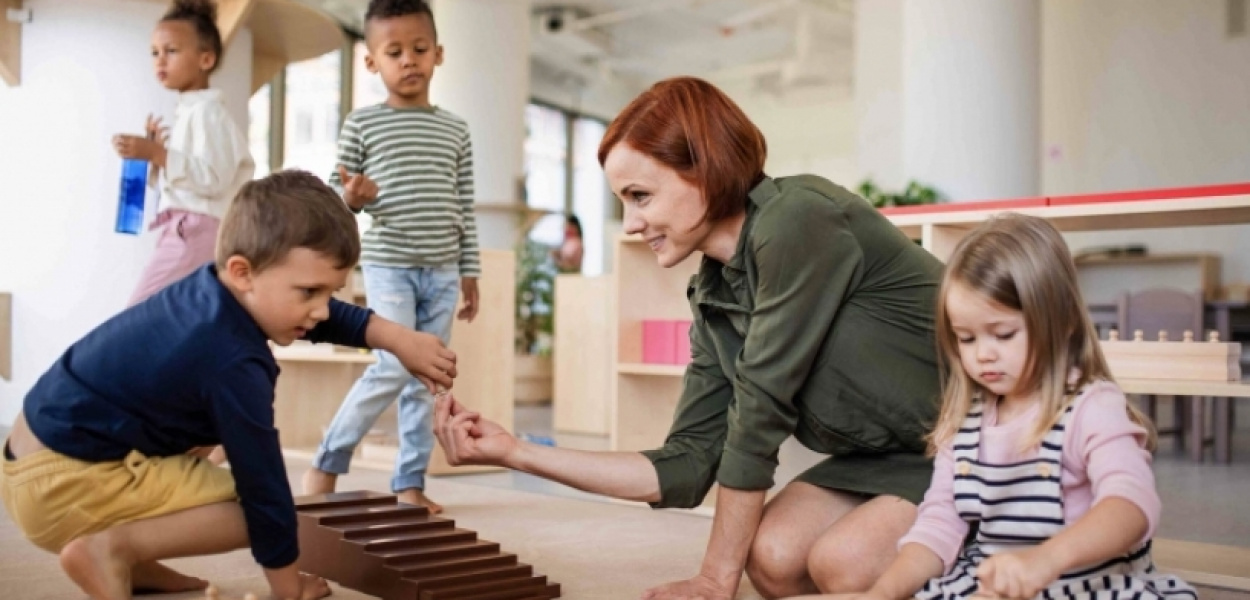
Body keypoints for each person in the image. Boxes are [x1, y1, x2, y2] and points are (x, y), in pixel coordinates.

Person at [434, 76, 946, 599]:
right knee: (771, 559)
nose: (631, 223)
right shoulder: (713, 295)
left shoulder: (798, 219)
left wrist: (713, 580)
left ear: (705, 168)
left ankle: (1021, 528)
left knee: (846, 566)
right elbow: (687, 463)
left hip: (978, 444)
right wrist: (517, 452)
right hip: (889, 459)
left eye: (641, 196)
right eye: (623, 203)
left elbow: (759, 417)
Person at [0, 171, 457, 600]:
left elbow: (317, 313)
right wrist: (287, 584)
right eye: (309, 293)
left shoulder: (209, 293)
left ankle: (133, 559)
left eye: (330, 293)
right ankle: (111, 548)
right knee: (256, 507)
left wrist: (398, 338)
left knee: (203, 431)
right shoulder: (232, 358)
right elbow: (263, 483)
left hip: (35, 462)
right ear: (243, 272)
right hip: (62, 486)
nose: (321, 310)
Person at [790, 214, 1195, 600]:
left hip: (1089, 587)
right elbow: (938, 525)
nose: (983, 354)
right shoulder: (965, 421)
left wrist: (1045, 560)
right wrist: (884, 592)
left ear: (1063, 322)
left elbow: (1131, 506)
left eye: (1002, 334)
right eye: (966, 339)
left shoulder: (1092, 407)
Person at [302, 0, 479, 516]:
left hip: (444, 270)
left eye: (419, 49)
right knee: (392, 365)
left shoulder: (455, 130)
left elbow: (463, 204)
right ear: (371, 62)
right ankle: (328, 460)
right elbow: (335, 209)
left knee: (428, 378)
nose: (409, 61)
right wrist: (353, 200)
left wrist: (471, 269)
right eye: (394, 52)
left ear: (438, 54)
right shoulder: (361, 125)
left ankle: (410, 483)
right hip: (389, 265)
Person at [112, 0, 254, 307]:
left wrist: (159, 154)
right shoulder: (190, 112)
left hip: (196, 229)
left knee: (139, 314)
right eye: (155, 52)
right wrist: (154, 156)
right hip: (186, 227)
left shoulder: (208, 112)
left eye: (171, 51)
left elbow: (212, 179)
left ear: (206, 59)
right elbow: (185, 183)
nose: (160, 61)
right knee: (183, 318)